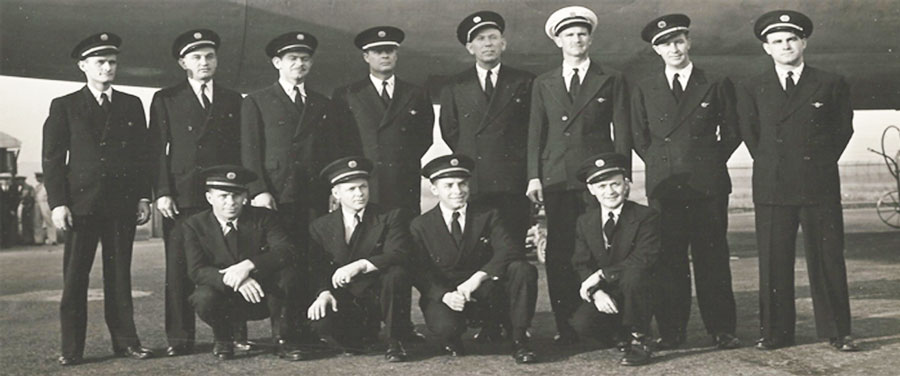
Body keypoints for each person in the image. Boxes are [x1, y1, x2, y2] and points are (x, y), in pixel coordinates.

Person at [736, 10, 857, 352]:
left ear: (803, 42)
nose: (785, 45)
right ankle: (776, 332)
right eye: (777, 41)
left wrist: (815, 163)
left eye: (791, 39)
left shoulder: (831, 82)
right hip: (773, 186)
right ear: (766, 48)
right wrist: (777, 164)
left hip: (818, 184)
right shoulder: (752, 86)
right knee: (774, 262)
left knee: (828, 259)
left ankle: (837, 331)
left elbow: (841, 130)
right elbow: (751, 134)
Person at [42, 32, 153, 366]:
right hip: (81, 205)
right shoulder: (64, 105)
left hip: (121, 204)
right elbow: (52, 158)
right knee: (75, 277)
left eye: (112, 62)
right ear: (83, 66)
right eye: (100, 62)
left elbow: (141, 157)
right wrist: (58, 202)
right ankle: (72, 348)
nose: (108, 67)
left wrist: (143, 197)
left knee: (119, 277)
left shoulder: (131, 104)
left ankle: (126, 342)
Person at [631, 14, 741, 350]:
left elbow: (733, 132)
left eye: (679, 41)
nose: (674, 48)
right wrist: (665, 163)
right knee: (669, 261)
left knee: (713, 259)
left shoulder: (714, 81)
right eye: (665, 44)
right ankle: (672, 331)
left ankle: (721, 329)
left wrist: (704, 160)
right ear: (657, 50)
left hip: (706, 186)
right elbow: (639, 136)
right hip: (666, 186)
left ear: (689, 43)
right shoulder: (645, 87)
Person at [526, 6, 631, 344]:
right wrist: (534, 176)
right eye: (569, 34)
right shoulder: (544, 83)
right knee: (559, 253)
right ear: (558, 41)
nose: (576, 39)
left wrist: (622, 176)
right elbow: (535, 134)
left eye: (582, 34)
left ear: (590, 38)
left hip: (596, 182)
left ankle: (610, 324)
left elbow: (623, 132)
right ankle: (566, 326)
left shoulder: (610, 78)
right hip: (557, 178)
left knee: (604, 249)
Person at [241, 31, 348, 342]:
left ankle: (312, 327)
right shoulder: (257, 101)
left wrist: (332, 191)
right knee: (282, 261)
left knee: (312, 257)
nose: (299, 63)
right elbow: (250, 151)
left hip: (313, 195)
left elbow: (331, 151)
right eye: (292, 59)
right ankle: (284, 331)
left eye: (304, 58)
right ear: (277, 63)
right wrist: (259, 191)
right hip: (275, 196)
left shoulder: (322, 103)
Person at [148, 28, 248, 357]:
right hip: (182, 196)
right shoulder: (166, 98)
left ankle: (233, 333)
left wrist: (239, 192)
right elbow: (156, 150)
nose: (204, 62)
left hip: (223, 196)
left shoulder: (233, 99)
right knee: (178, 268)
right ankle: (180, 338)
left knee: (229, 262)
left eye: (209, 56)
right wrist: (162, 191)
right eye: (196, 57)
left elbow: (240, 149)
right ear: (183, 62)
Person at [439, 12, 535, 303]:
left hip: (512, 183)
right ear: (470, 48)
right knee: (481, 253)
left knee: (513, 249)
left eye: (493, 38)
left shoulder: (524, 81)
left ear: (504, 43)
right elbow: (451, 132)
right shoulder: (455, 85)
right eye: (480, 39)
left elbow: (533, 130)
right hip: (477, 183)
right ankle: (490, 319)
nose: (488, 44)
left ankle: (515, 318)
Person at [411, 154, 539, 364]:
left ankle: (519, 339)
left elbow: (508, 250)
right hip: (448, 293)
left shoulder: (488, 215)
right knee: (446, 327)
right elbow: (419, 270)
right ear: (435, 189)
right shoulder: (420, 225)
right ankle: (452, 338)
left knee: (522, 269)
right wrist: (444, 296)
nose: (457, 191)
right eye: (449, 185)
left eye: (462, 184)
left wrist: (478, 278)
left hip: (483, 288)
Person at [181, 165, 307, 361]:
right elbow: (197, 270)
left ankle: (283, 339)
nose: (230, 202)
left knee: (288, 275)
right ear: (209, 198)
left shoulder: (264, 217)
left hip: (262, 294)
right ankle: (223, 338)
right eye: (223, 196)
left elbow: (286, 250)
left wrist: (248, 266)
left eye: (236, 195)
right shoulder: (195, 224)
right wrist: (237, 279)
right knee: (203, 297)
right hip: (226, 296)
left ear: (245, 197)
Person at [307, 156, 415, 362]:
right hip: (345, 297)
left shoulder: (388, 216)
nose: (360, 193)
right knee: (322, 324)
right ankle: (359, 334)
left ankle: (395, 341)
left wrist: (361, 265)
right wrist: (323, 293)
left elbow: (399, 253)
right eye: (352, 189)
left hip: (377, 292)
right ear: (336, 193)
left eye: (363, 187)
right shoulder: (320, 226)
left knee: (397, 274)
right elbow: (316, 267)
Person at [329, 25, 433, 215]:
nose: (385, 56)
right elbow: (339, 140)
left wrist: (401, 160)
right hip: (366, 180)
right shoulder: (348, 95)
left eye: (390, 51)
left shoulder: (416, 93)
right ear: (366, 57)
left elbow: (424, 137)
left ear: (396, 55)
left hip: (403, 180)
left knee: (402, 234)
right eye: (378, 51)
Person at [570, 152, 660, 366]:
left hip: (640, 286)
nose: (610, 192)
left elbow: (644, 258)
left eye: (615, 184)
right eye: (601, 186)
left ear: (625, 184)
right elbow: (580, 262)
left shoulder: (646, 216)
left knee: (633, 276)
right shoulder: (585, 221)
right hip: (610, 290)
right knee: (581, 324)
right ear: (591, 190)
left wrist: (602, 274)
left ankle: (640, 338)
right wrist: (597, 291)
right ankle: (620, 335)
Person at [34, 172, 56, 245]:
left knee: (48, 221)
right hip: (37, 203)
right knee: (37, 222)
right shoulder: (37, 186)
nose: (38, 179)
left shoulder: (47, 186)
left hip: (45, 203)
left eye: (39, 177)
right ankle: (38, 239)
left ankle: (52, 239)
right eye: (37, 178)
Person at [14, 176, 36, 245]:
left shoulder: (29, 187)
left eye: (19, 180)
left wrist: (30, 206)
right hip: (22, 207)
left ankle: (30, 239)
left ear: (23, 180)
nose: (18, 182)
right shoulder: (19, 188)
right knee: (23, 223)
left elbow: (32, 198)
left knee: (29, 223)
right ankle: (25, 239)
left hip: (28, 206)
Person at [0, 172, 15, 248]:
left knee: (8, 226)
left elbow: (15, 200)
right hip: (1, 210)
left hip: (8, 211)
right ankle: (2, 242)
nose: (5, 181)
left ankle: (8, 242)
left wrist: (13, 209)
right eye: (3, 179)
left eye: (7, 179)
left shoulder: (13, 188)